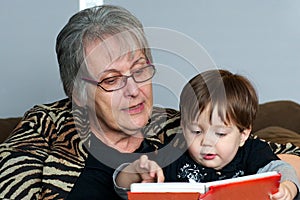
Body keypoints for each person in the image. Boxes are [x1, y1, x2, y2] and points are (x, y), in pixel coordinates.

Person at [0, 5, 299, 200]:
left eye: (140, 69)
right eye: (112, 79)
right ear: (78, 92)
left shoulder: (180, 124)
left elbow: (269, 153)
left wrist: (280, 183)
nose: (134, 89)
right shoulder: (46, 126)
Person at [114, 69, 300, 200]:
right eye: (195, 131)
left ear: (243, 134)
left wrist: (288, 188)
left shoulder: (253, 152)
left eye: (220, 133)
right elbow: (123, 185)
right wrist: (136, 172)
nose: (207, 142)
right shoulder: (174, 152)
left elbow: (282, 169)